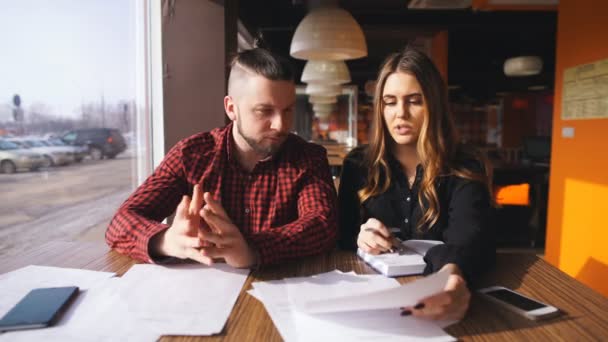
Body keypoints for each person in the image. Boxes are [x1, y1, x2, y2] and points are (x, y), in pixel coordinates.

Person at [106, 48, 338, 269]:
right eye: (264, 111)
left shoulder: (308, 157)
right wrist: (166, 241)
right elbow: (121, 222)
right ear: (231, 108)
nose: (281, 125)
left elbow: (323, 225)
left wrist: (252, 250)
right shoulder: (191, 155)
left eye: (288, 110)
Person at [337, 46, 495, 321]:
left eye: (414, 100)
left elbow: (471, 238)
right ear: (380, 107)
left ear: (433, 104)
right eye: (390, 101)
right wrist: (360, 236)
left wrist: (452, 275)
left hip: (441, 294)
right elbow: (342, 233)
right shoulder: (357, 165)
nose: (401, 113)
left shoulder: (466, 166)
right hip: (373, 300)